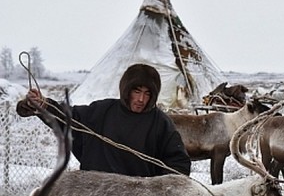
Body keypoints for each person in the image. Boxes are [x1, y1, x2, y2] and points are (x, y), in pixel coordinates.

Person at [16, 63, 191, 177]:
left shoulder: (160, 123)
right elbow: (69, 118)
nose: (141, 99)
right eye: (136, 91)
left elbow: (178, 163)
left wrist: (162, 193)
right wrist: (43, 105)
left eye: (147, 93)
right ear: (126, 90)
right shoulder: (103, 111)